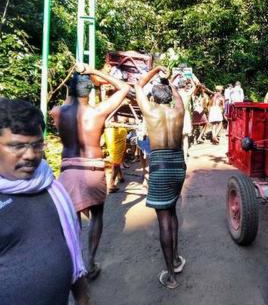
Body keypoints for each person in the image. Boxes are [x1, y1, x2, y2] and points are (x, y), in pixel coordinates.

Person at [0, 98, 89, 305]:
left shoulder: (48, 184)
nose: (31, 155)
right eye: (18, 146)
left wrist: (83, 298)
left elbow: (70, 247)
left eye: (38, 145)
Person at [50, 63, 130, 280]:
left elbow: (67, 103)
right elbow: (124, 88)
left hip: (68, 171)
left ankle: (73, 262)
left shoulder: (58, 112)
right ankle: (91, 261)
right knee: (97, 216)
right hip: (92, 169)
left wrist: (72, 85)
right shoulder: (97, 112)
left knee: (71, 219)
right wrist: (94, 72)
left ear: (71, 90)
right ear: (90, 91)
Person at [135, 66, 187, 289]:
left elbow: (138, 85)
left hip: (160, 165)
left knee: (164, 219)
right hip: (178, 164)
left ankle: (171, 276)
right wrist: (169, 81)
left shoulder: (150, 111)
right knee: (172, 209)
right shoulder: (179, 110)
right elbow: (177, 94)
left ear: (154, 98)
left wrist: (156, 68)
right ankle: (175, 260)